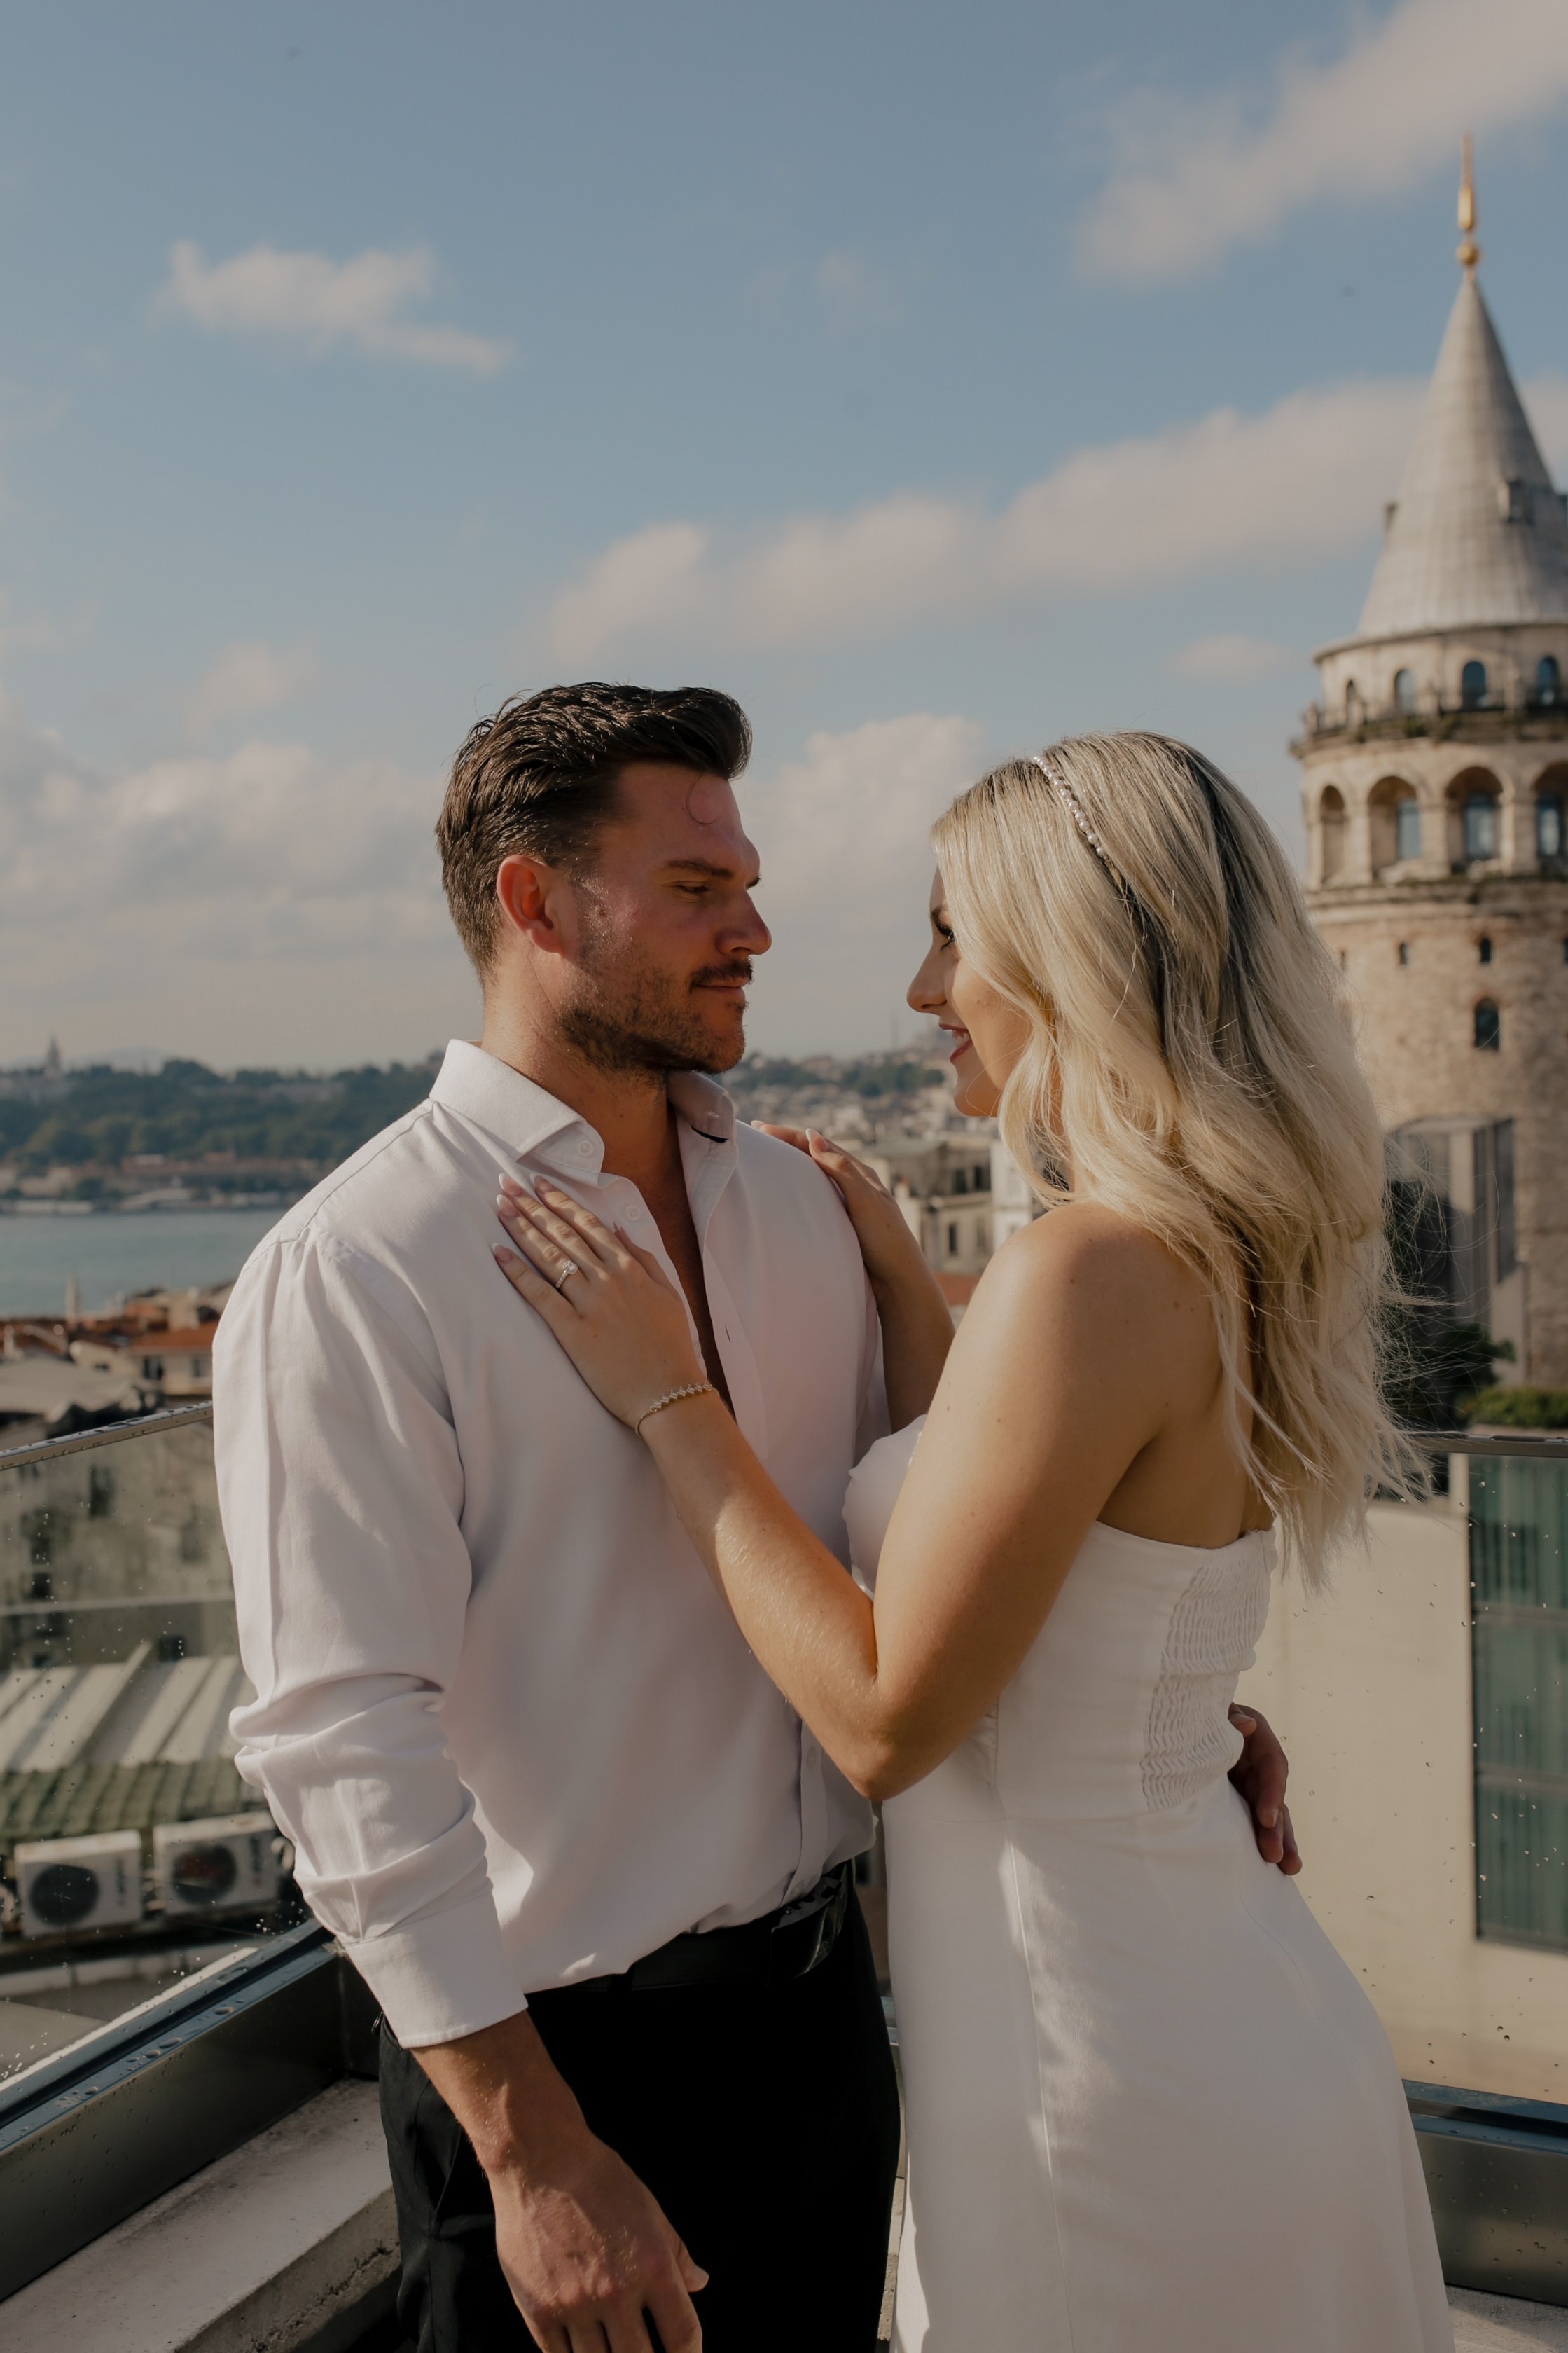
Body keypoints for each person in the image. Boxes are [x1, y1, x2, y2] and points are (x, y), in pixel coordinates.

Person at [214, 689, 1296, 2353]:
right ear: (533, 902)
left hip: (831, 2039)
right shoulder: (359, 1267)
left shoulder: (806, 1213)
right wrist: (531, 2149)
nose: (758, 931)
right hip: (561, 2074)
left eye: (749, 882)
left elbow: (929, 1562)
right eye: (699, 891)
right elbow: (340, 1742)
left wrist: (1143, 1706)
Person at [486, 730, 1455, 2353]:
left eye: (954, 938)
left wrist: (670, 1398)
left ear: (1068, 961)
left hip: (1099, 2075)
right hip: (1216, 2017)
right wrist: (898, 1291)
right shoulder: (1216, 1246)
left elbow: (883, 1721)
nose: (928, 989)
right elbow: (1043, 1533)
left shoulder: (1085, 1270)